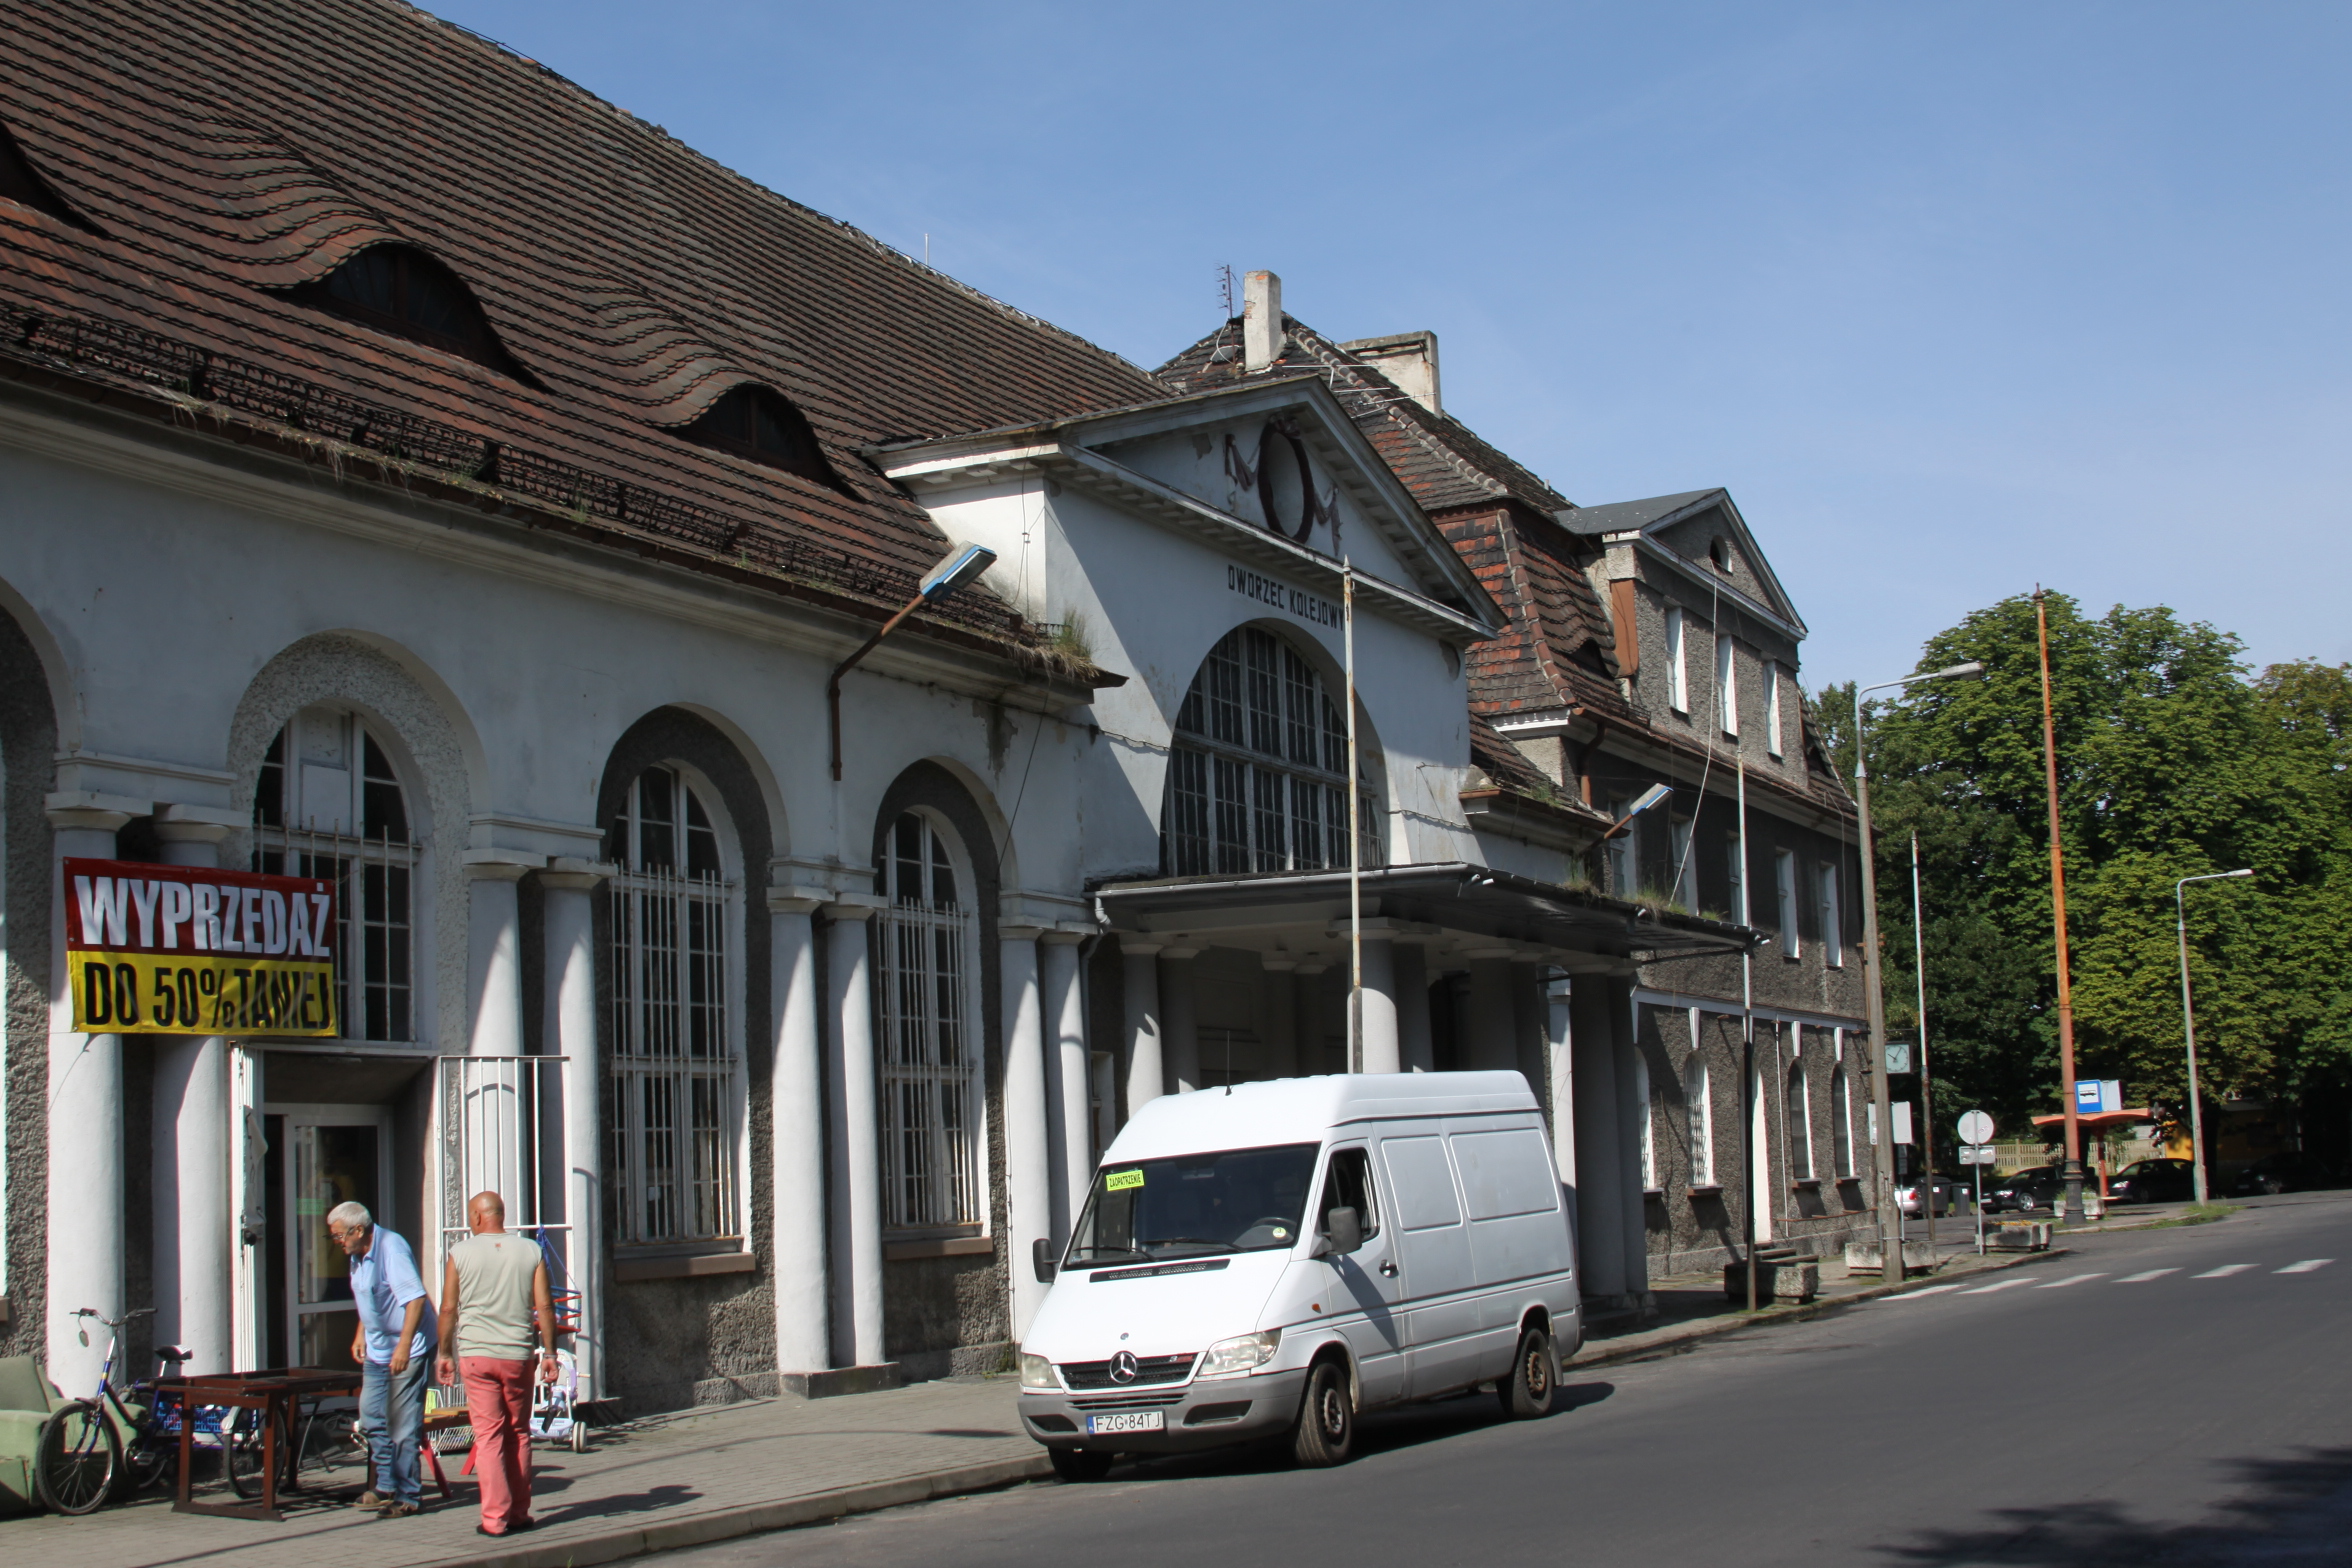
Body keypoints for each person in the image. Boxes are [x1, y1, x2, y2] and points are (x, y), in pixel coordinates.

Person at [434, 1190, 559, 1538]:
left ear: (477, 1216)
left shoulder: (460, 1252)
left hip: (477, 1355)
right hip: (517, 1354)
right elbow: (544, 1306)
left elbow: (448, 1308)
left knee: (488, 1436)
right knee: (518, 1432)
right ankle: (519, 1513)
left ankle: (494, 1519)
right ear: (501, 1215)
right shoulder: (530, 1250)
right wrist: (550, 1353)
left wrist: (445, 1353)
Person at [327, 1200, 436, 1519]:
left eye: (339, 1236)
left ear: (359, 1230)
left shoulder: (392, 1249)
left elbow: (415, 1300)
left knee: (401, 1423)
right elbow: (369, 1296)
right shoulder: (357, 1255)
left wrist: (403, 1347)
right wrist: (361, 1332)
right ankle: (386, 1485)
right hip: (378, 1349)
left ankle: (408, 1496)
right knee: (372, 1416)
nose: (337, 1242)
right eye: (333, 1236)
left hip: (409, 1347)